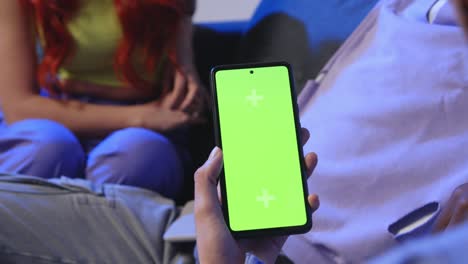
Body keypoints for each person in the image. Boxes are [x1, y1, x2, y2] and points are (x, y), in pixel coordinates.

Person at [0, 0, 208, 199]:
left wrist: (185, 61)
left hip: (148, 118)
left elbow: (183, 14)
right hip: (60, 110)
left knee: (137, 157)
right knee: (44, 148)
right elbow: (20, 108)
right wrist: (140, 116)